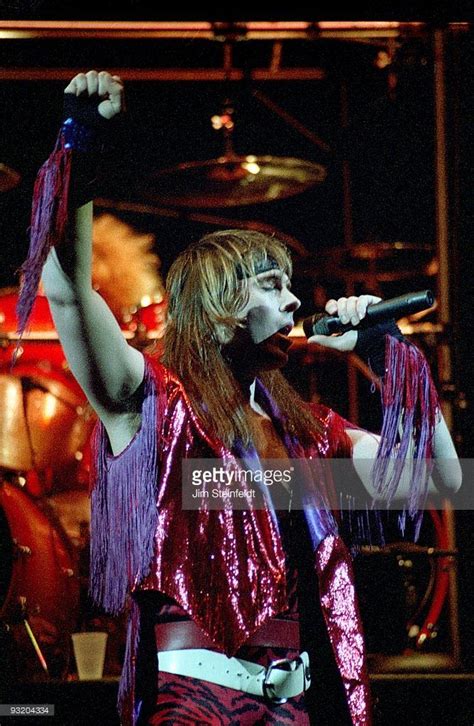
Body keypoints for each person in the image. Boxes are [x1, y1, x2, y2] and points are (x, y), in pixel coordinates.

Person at [18, 71, 461, 726]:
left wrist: (384, 357)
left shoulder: (304, 433)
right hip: (196, 707)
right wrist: (80, 146)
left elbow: (440, 479)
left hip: (299, 707)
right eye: (271, 284)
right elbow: (65, 291)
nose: (293, 300)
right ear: (221, 306)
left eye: (291, 287)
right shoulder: (154, 407)